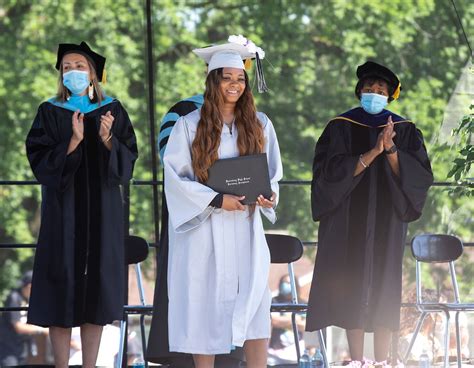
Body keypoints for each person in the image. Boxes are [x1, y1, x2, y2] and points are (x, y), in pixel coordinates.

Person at [162, 35, 282, 368]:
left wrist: (268, 196)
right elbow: (176, 179)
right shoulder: (189, 126)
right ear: (214, 81)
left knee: (257, 304)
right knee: (204, 306)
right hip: (206, 230)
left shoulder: (260, 125)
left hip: (245, 227)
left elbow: (273, 174)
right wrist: (216, 199)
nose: (234, 84)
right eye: (227, 77)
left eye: (240, 78)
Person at [306, 61, 433, 367]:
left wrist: (390, 150)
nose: (374, 94)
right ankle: (357, 360)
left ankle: (382, 362)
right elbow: (328, 174)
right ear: (359, 91)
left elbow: (419, 176)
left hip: (388, 221)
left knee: (384, 285)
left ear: (390, 96)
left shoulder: (404, 130)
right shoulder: (340, 126)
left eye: (380, 91)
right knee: (351, 285)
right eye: (369, 89)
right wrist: (372, 151)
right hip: (348, 221)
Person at [25, 41, 138, 368]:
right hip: (64, 214)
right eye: (66, 67)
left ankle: (90, 365)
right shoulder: (49, 111)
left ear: (93, 73)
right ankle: (62, 365)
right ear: (61, 76)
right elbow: (38, 160)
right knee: (61, 283)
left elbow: (128, 159)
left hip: (103, 213)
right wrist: (73, 142)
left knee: (95, 292)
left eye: (79, 66)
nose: (73, 71)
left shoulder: (112, 109)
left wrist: (106, 140)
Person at [0, 271, 48, 366]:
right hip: (9, 349)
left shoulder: (29, 299)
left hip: (22, 347)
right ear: (30, 286)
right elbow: (18, 326)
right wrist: (42, 330)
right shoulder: (14, 298)